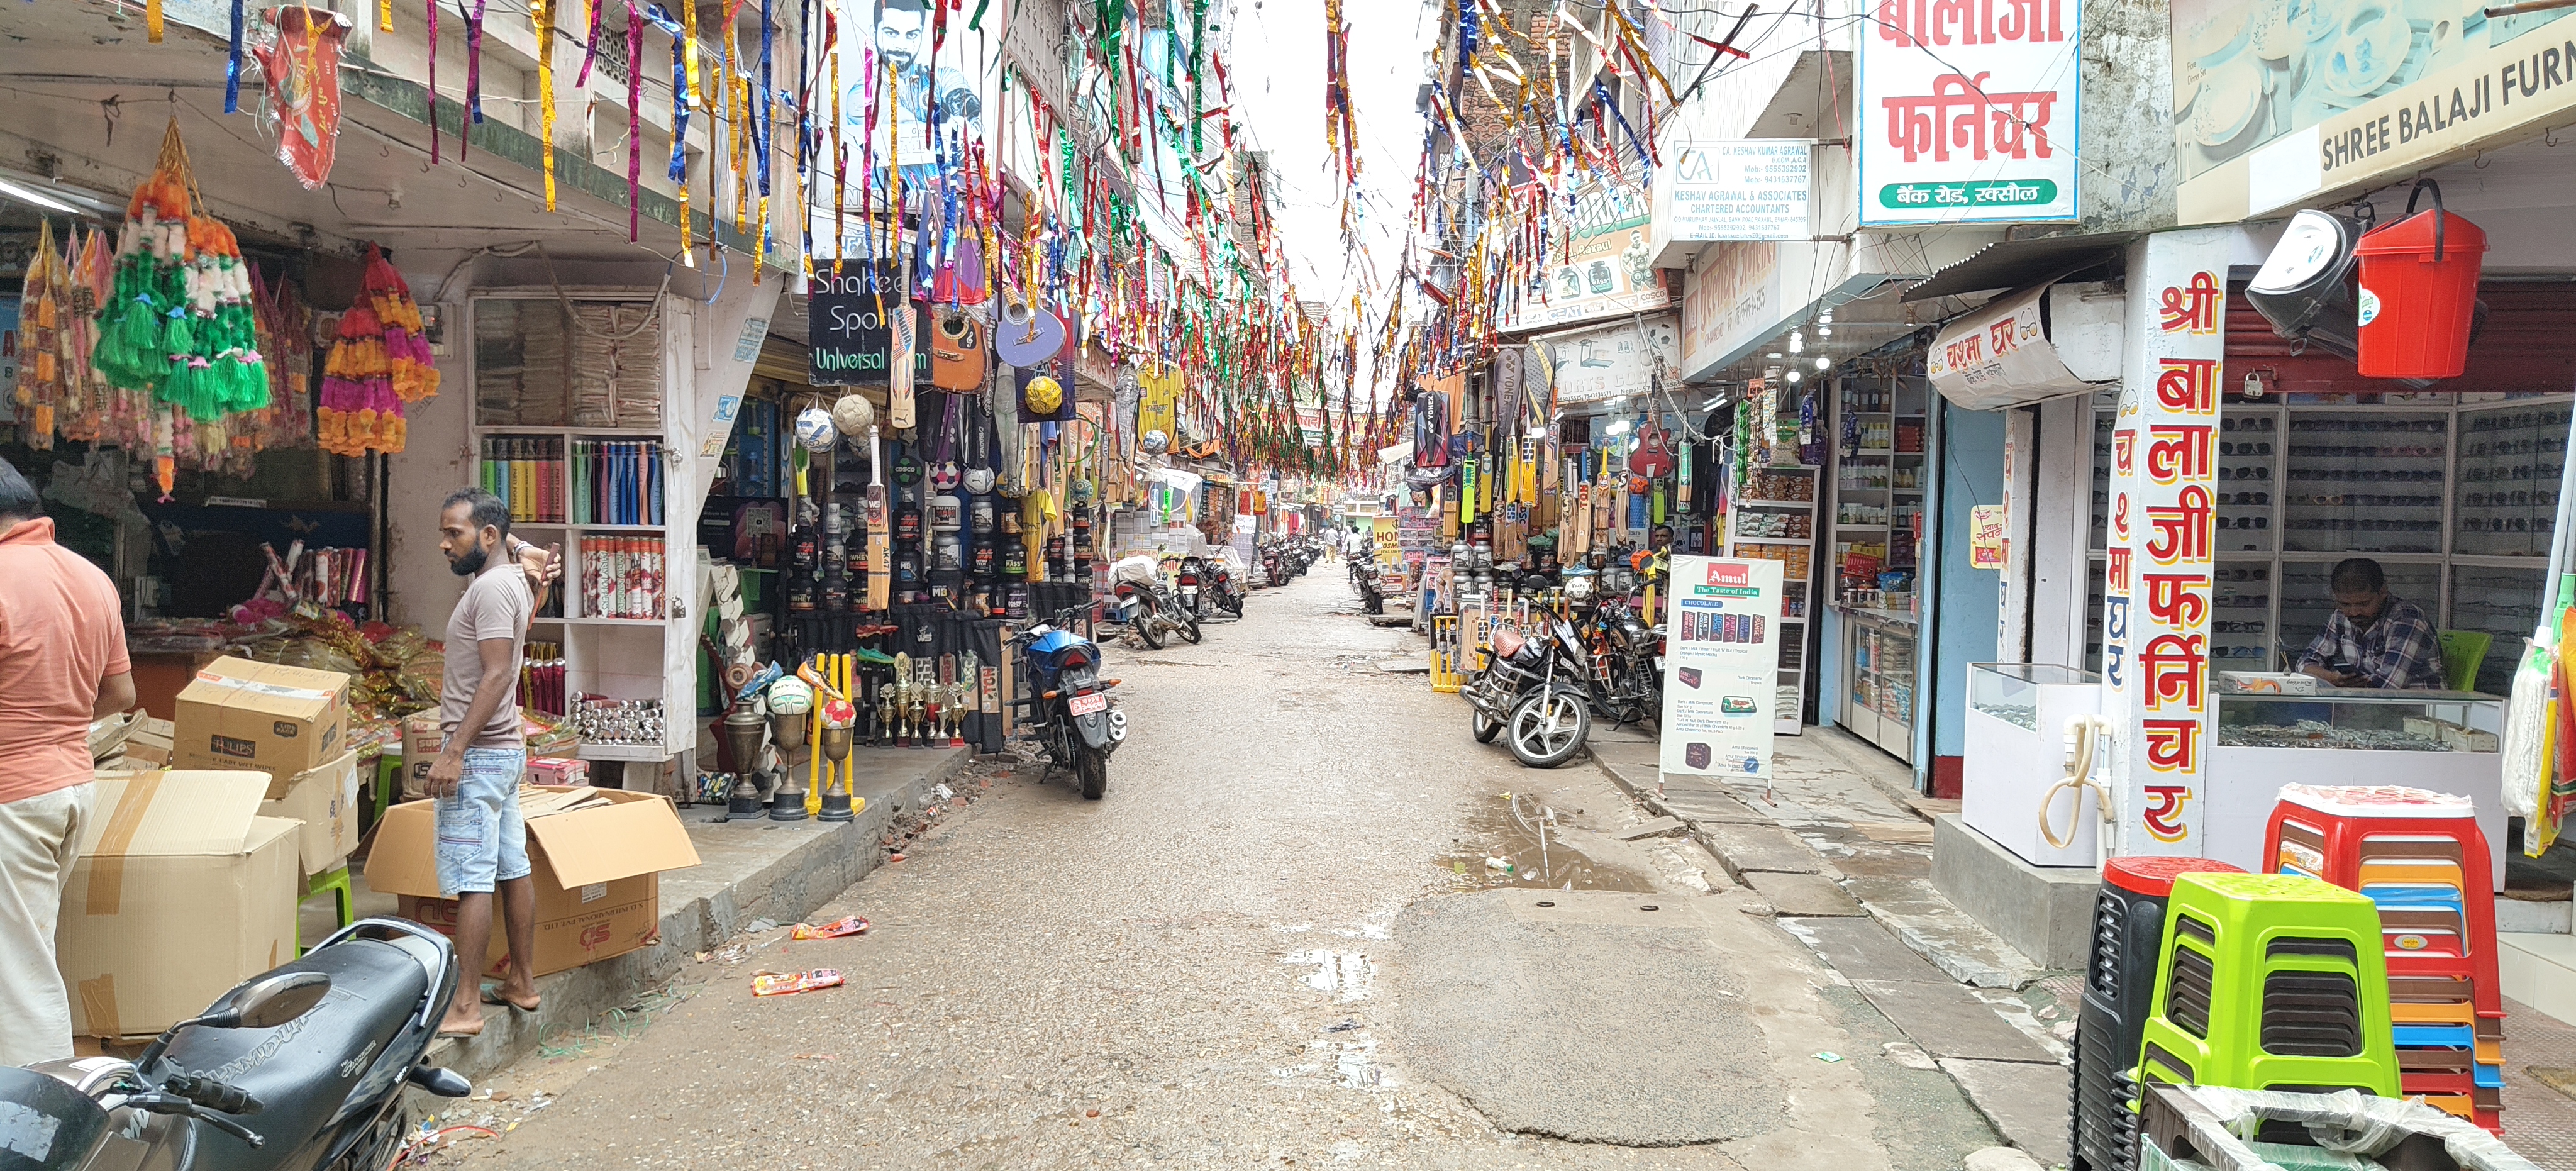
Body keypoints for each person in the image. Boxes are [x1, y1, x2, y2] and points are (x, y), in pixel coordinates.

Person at [0, 457, 133, 1065]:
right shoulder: (90, 577)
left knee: (19, 973)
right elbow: (122, 697)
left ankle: (41, 1123)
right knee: (25, 952)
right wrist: (57, 719)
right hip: (72, 784)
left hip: (13, 795)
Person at [430, 487, 547, 1036]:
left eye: (454, 533)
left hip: (479, 754)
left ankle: (466, 1005)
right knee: (509, 865)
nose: (444, 544)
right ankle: (521, 982)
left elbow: (498, 673)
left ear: (489, 537)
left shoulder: (496, 589)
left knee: (474, 878)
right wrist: (516, 542)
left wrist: (454, 750)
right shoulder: (511, 578)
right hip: (501, 751)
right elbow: (533, 557)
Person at [2295, 558, 2442, 690]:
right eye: (2345, 604)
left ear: (2383, 592)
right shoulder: (2340, 617)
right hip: (2369, 706)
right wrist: (2333, 678)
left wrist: (2342, 683)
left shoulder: (2407, 619)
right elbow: (2304, 664)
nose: (2354, 612)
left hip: (2420, 708)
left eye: (2364, 604)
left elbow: (2387, 685)